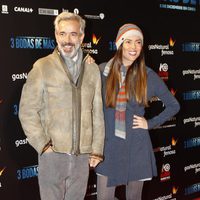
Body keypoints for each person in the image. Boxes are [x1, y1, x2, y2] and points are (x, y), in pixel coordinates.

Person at [18, 11, 105, 200]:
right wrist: (44, 147)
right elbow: (27, 111)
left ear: (81, 36)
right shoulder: (42, 67)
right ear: (56, 35)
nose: (67, 40)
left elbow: (97, 112)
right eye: (62, 33)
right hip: (53, 155)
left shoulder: (91, 69)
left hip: (83, 157)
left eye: (73, 34)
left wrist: (96, 149)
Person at [95, 23, 180, 200]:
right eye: (128, 42)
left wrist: (149, 123)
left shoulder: (148, 75)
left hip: (137, 145)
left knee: (134, 197)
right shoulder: (102, 70)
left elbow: (174, 105)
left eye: (138, 42)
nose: (134, 47)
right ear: (119, 44)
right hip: (109, 145)